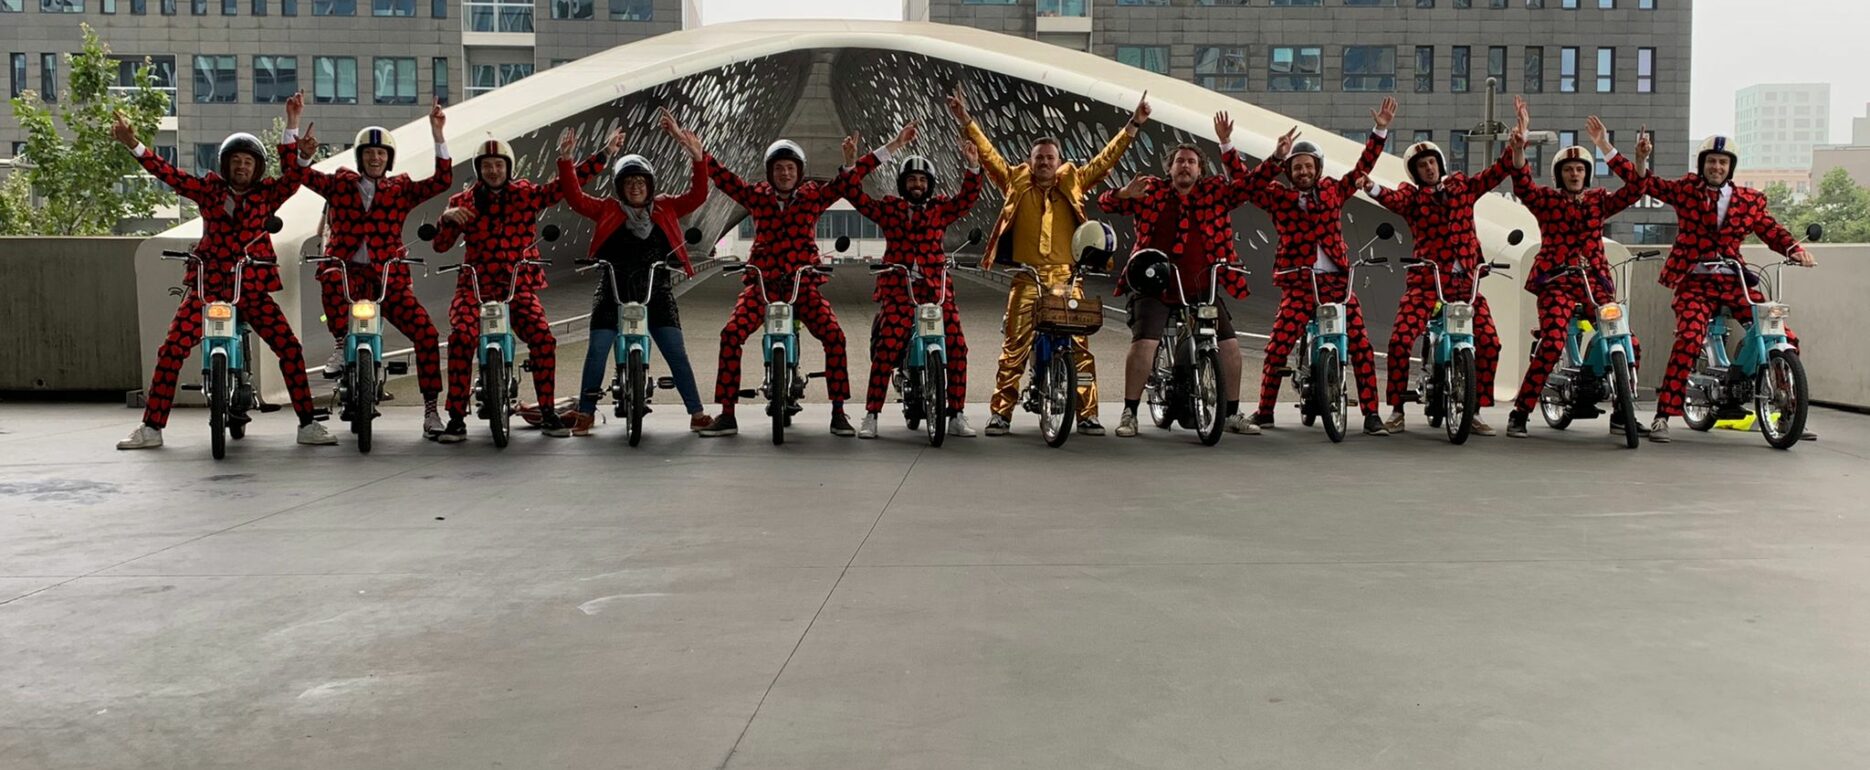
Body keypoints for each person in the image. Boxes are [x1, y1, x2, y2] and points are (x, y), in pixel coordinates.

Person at [110, 101, 336, 450]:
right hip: (209, 286)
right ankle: (151, 427)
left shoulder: (267, 195)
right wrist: (133, 144)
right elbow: (168, 174)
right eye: (236, 161)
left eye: (248, 161)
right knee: (171, 349)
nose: (242, 166)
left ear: (257, 168)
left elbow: (293, 179)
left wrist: (300, 147)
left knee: (289, 347)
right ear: (226, 164)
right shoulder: (208, 190)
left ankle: (308, 423)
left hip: (252, 287)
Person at [1598, 118, 1817, 443]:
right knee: (1689, 338)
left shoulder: (1749, 200)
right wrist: (1627, 155)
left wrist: (1795, 249)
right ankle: (1663, 416)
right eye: (1712, 161)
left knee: (1780, 333)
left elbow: (1771, 230)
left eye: (1723, 162)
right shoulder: (1687, 190)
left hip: (1735, 281)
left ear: (1731, 167)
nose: (1717, 167)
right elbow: (1645, 183)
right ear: (1703, 165)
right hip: (1695, 282)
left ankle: (1789, 412)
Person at [950, 85, 1151, 437]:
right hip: (1027, 278)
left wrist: (1133, 124)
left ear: (1059, 163)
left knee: (1080, 349)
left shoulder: (1073, 180)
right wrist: (965, 119)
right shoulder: (1015, 180)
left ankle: (1087, 413)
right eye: (1039, 158)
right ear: (1030, 161)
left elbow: (1105, 160)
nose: (1044, 162)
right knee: (1014, 348)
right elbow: (988, 154)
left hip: (1066, 278)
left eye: (1050, 158)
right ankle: (1001, 413)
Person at [694, 123, 918, 437]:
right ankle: (727, 413)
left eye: (790, 168)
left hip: (803, 284)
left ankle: (838, 412)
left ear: (799, 172)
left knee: (835, 337)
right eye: (778, 168)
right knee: (731, 334)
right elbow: (724, 179)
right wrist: (700, 155)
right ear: (770, 172)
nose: (784, 173)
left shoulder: (813, 196)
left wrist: (891, 145)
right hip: (763, 286)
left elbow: (846, 180)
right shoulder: (757, 196)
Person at [428, 128, 616, 442]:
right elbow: (440, 246)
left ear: (508, 167)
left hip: (517, 285)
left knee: (543, 339)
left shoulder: (525, 194)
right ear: (479, 169)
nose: (493, 170)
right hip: (474, 287)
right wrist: (446, 219)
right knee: (461, 338)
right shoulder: (462, 202)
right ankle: (456, 418)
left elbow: (560, 189)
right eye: (487, 165)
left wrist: (598, 155)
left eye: (498, 164)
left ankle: (548, 412)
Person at [284, 94, 453, 439]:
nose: (375, 158)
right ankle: (339, 341)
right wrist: (294, 128)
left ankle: (431, 410)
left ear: (388, 158)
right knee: (330, 277)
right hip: (345, 271)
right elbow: (296, 173)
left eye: (381, 153)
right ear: (360, 157)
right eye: (369, 153)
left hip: (387, 278)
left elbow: (441, 182)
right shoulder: (339, 183)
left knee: (427, 334)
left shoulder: (401, 188)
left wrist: (438, 134)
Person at [1232, 98, 1397, 438]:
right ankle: (1265, 411)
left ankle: (1371, 415)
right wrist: (1227, 145)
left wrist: (1379, 131)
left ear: (1318, 168)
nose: (1303, 172)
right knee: (1277, 347)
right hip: (1299, 285)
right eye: (1297, 168)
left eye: (1308, 166)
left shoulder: (1334, 190)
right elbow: (1245, 184)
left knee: (1362, 348)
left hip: (1338, 285)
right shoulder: (1277, 197)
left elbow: (1363, 167)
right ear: (1289, 172)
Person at [1097, 111, 1258, 438]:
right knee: (1145, 342)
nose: (1185, 166)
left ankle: (1231, 413)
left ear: (1200, 170)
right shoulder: (1151, 190)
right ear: (1169, 168)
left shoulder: (1214, 193)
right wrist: (1123, 194)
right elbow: (1105, 203)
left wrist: (1226, 143)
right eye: (1180, 161)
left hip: (1201, 288)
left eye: (1191, 162)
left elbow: (1246, 186)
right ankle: (1130, 412)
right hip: (1155, 286)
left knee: (1230, 347)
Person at [1363, 101, 1516, 436]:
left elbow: (1495, 174)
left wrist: (1516, 145)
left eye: (1432, 162)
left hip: (1466, 285)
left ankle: (1475, 409)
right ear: (1415, 172)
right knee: (1400, 341)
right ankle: (1397, 409)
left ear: (1440, 163)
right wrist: (1371, 186)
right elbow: (1392, 199)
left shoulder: (1462, 188)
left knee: (1490, 343)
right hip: (1426, 283)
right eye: (1422, 165)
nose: (1429, 168)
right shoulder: (1412, 197)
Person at [556, 109, 712, 435]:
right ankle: (585, 413)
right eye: (629, 182)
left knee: (676, 352)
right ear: (620, 187)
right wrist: (567, 161)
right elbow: (575, 199)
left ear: (650, 185)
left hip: (657, 291)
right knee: (597, 350)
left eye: (641, 181)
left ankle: (697, 413)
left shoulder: (666, 206)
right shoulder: (608, 209)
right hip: (613, 291)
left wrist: (697, 158)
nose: (636, 187)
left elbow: (698, 196)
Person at [1502, 98, 1651, 439]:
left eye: (1580, 169)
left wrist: (1617, 151)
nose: (1575, 174)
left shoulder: (1599, 200)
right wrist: (1519, 147)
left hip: (1595, 283)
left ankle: (1622, 413)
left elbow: (1635, 189)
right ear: (1560, 174)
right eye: (1569, 169)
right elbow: (1522, 185)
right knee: (1552, 341)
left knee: (1628, 340)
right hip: (1555, 281)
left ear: (1587, 173)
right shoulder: (1547, 200)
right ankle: (1520, 412)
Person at [840, 128, 986, 440]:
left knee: (957, 346)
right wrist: (852, 164)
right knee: (887, 346)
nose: (917, 185)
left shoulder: (940, 209)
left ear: (929, 184)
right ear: (903, 184)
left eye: (922, 180)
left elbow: (967, 199)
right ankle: (871, 415)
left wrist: (973, 166)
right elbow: (855, 196)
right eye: (911, 180)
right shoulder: (889, 209)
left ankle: (956, 413)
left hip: (937, 290)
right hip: (899, 288)